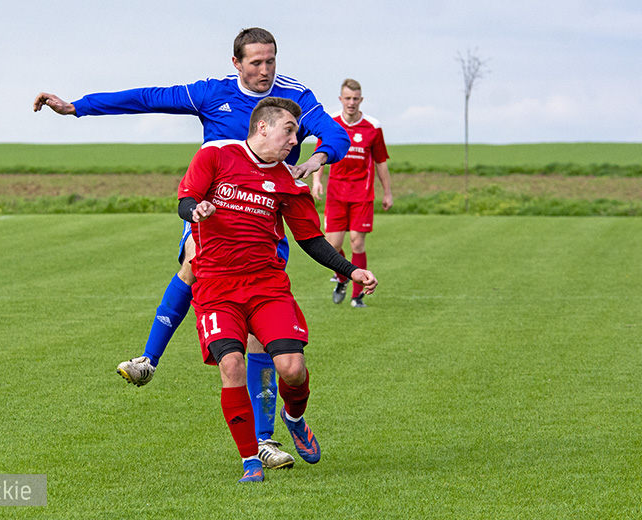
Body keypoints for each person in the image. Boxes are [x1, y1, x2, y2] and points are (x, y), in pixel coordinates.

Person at [33, 28, 350, 469]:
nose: (265, 70)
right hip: (210, 212)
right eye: (256, 62)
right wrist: (78, 108)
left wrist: (315, 160)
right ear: (236, 63)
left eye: (271, 61)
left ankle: (268, 437)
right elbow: (148, 97)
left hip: (264, 225)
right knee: (194, 260)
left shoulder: (293, 99)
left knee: (263, 342)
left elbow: (336, 135)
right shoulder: (211, 94)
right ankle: (149, 358)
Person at [178, 97, 377, 482]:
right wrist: (195, 211)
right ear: (263, 127)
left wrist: (351, 271)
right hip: (217, 287)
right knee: (232, 364)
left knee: (293, 369)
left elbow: (311, 240)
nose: (294, 139)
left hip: (267, 287)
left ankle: (295, 418)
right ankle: (251, 461)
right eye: (289, 130)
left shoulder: (288, 180)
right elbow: (186, 199)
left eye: (297, 132)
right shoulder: (217, 157)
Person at [311, 78, 393, 308]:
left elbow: (381, 163)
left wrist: (388, 193)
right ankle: (343, 277)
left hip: (362, 194)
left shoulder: (373, 127)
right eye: (347, 98)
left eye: (356, 99)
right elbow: (321, 155)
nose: (351, 102)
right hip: (337, 194)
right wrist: (317, 181)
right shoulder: (332, 124)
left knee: (357, 243)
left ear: (361, 100)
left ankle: (358, 297)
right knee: (332, 245)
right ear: (341, 99)